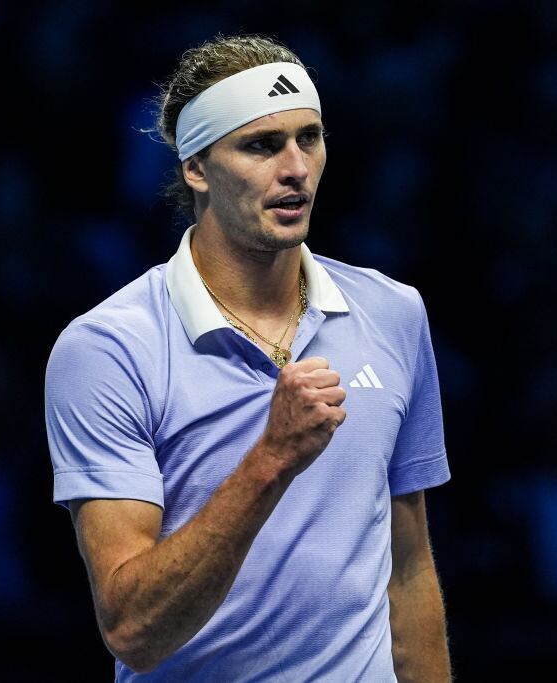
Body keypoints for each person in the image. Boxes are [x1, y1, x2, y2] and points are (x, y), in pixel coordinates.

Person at [44, 34, 452, 681]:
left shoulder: (395, 313)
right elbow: (133, 630)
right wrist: (271, 459)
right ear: (197, 167)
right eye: (261, 146)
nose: (296, 168)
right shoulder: (106, 348)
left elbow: (409, 570)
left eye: (308, 137)